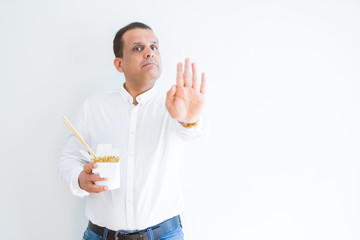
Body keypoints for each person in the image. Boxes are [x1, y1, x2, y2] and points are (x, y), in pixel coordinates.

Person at [59, 22, 207, 240]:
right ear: (119, 64)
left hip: (164, 235)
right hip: (100, 235)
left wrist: (189, 119)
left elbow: (192, 132)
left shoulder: (174, 104)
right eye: (138, 48)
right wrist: (79, 179)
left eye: (154, 47)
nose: (149, 53)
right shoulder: (94, 107)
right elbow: (69, 159)